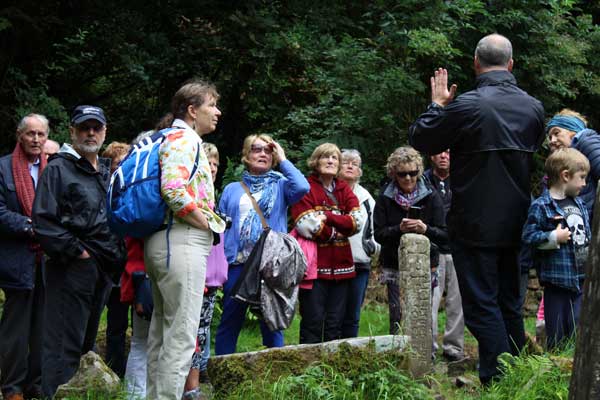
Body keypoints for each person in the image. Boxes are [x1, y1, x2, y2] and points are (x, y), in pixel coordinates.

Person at [409, 34, 545, 384]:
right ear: (511, 64)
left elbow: (421, 139)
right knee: (509, 303)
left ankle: (499, 379)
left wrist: (438, 105)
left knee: (482, 305)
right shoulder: (533, 107)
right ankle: (516, 376)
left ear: (475, 63)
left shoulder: (467, 106)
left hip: (474, 223)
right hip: (517, 220)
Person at [32, 105, 127, 398]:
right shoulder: (59, 168)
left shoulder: (104, 171)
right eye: (84, 127)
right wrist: (77, 253)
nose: (90, 133)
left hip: (100, 269)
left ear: (105, 132)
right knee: (63, 345)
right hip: (70, 267)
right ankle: (53, 394)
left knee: (85, 343)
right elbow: (44, 220)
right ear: (72, 131)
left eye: (96, 127)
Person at [144, 80, 226, 400]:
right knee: (181, 336)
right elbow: (174, 190)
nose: (217, 112)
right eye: (211, 106)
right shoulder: (184, 139)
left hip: (162, 241)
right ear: (192, 110)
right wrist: (207, 223)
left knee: (163, 335)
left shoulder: (163, 137)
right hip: (180, 240)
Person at [215, 134, 309, 355]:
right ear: (246, 156)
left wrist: (283, 158)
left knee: (272, 319)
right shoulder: (232, 190)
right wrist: (220, 265)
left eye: (268, 150)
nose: (263, 154)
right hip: (238, 264)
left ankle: (274, 376)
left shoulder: (282, 185)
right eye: (257, 149)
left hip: (270, 265)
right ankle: (222, 372)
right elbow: (220, 228)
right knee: (230, 319)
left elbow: (303, 187)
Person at [291, 143, 363, 344]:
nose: (331, 161)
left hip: (342, 267)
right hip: (314, 268)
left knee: (335, 322)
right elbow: (306, 224)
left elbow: (357, 223)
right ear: (316, 161)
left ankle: (331, 371)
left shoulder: (344, 190)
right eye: (326, 157)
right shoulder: (306, 188)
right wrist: (340, 225)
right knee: (312, 320)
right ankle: (309, 369)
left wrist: (327, 216)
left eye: (334, 158)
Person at [0, 114, 49, 400]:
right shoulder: (4, 168)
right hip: (16, 258)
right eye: (30, 134)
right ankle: (12, 387)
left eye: (40, 134)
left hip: (48, 260)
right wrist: (31, 227)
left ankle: (37, 384)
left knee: (42, 325)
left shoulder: (52, 168)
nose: (35, 139)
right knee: (15, 328)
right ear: (20, 136)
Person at [373, 146, 447, 335]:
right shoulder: (384, 197)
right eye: (402, 174)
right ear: (393, 174)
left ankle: (425, 356)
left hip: (425, 264)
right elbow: (379, 234)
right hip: (394, 264)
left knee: (422, 314)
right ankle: (397, 354)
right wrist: (399, 229)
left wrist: (425, 229)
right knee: (397, 313)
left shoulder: (431, 196)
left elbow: (444, 233)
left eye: (413, 173)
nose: (408, 178)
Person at [522, 148, 590, 350]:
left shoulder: (580, 203)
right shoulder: (542, 206)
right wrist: (553, 237)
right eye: (582, 177)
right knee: (558, 333)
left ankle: (574, 369)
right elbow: (528, 236)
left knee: (578, 329)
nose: (585, 184)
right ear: (565, 176)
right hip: (557, 281)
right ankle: (555, 371)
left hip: (580, 280)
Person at [183, 143, 229, 399]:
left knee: (203, 331)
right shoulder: (193, 197)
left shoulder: (213, 196)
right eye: (207, 163)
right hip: (195, 277)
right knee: (193, 334)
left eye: (215, 164)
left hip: (212, 280)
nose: (211, 169)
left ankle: (196, 383)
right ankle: (191, 388)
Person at [424, 150, 465, 361]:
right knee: (430, 300)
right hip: (433, 248)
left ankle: (454, 348)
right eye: (439, 152)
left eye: (449, 152)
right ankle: (427, 348)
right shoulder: (422, 180)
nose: (444, 156)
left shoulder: (463, 179)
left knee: (457, 302)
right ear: (431, 156)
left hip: (459, 248)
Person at [337, 149, 380, 338]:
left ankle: (349, 352)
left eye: (355, 163)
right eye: (346, 161)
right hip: (333, 262)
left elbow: (375, 230)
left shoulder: (367, 199)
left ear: (360, 171)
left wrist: (371, 249)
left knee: (353, 314)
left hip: (359, 262)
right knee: (333, 313)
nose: (350, 166)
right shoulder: (330, 192)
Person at [100, 141, 131, 378]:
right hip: (102, 266)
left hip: (126, 267)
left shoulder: (133, 192)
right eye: (119, 163)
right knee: (99, 321)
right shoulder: (101, 190)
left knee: (120, 325)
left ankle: (116, 373)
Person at [547, 109, 600, 216]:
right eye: (550, 137)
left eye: (556, 133)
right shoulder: (561, 159)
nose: (552, 140)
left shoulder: (586, 141)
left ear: (573, 130)